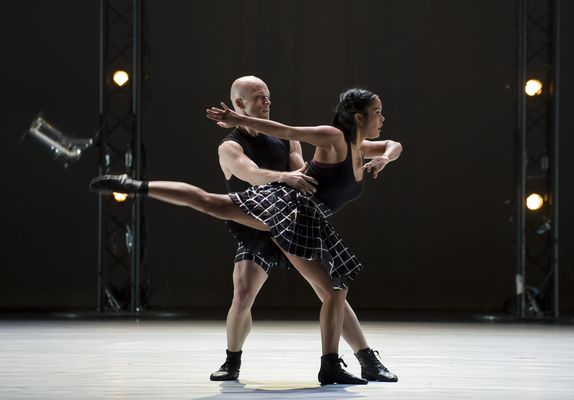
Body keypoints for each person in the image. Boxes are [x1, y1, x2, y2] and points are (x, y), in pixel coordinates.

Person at [90, 86, 402, 385]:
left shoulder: (359, 148)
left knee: (332, 290)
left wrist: (386, 157)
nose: (382, 118)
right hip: (287, 206)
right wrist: (239, 122)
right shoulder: (332, 137)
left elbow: (395, 145)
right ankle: (135, 186)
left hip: (306, 219)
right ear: (359, 117)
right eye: (378, 112)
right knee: (214, 209)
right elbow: (287, 130)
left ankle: (352, 362)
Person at [210, 76, 397, 383]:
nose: (267, 101)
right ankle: (232, 360)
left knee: (332, 290)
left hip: (292, 220)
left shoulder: (286, 140)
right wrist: (284, 179)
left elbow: (302, 172)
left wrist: (340, 171)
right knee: (243, 294)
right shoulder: (230, 146)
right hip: (257, 224)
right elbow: (253, 175)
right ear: (239, 105)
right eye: (259, 97)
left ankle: (367, 359)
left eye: (268, 95)